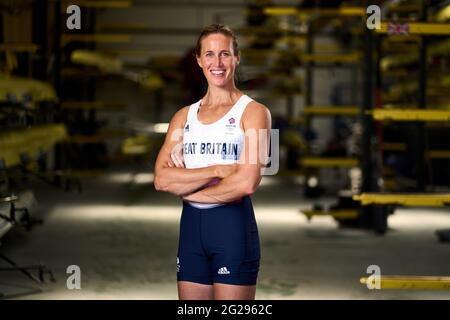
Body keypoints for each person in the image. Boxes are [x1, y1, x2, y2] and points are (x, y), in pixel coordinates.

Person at [154, 24, 271, 300]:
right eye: (209, 54)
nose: (216, 63)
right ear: (198, 59)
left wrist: (189, 187)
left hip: (232, 231)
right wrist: (218, 170)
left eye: (224, 54)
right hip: (191, 233)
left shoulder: (255, 113)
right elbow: (161, 179)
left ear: (237, 57)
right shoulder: (183, 117)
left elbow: (247, 183)